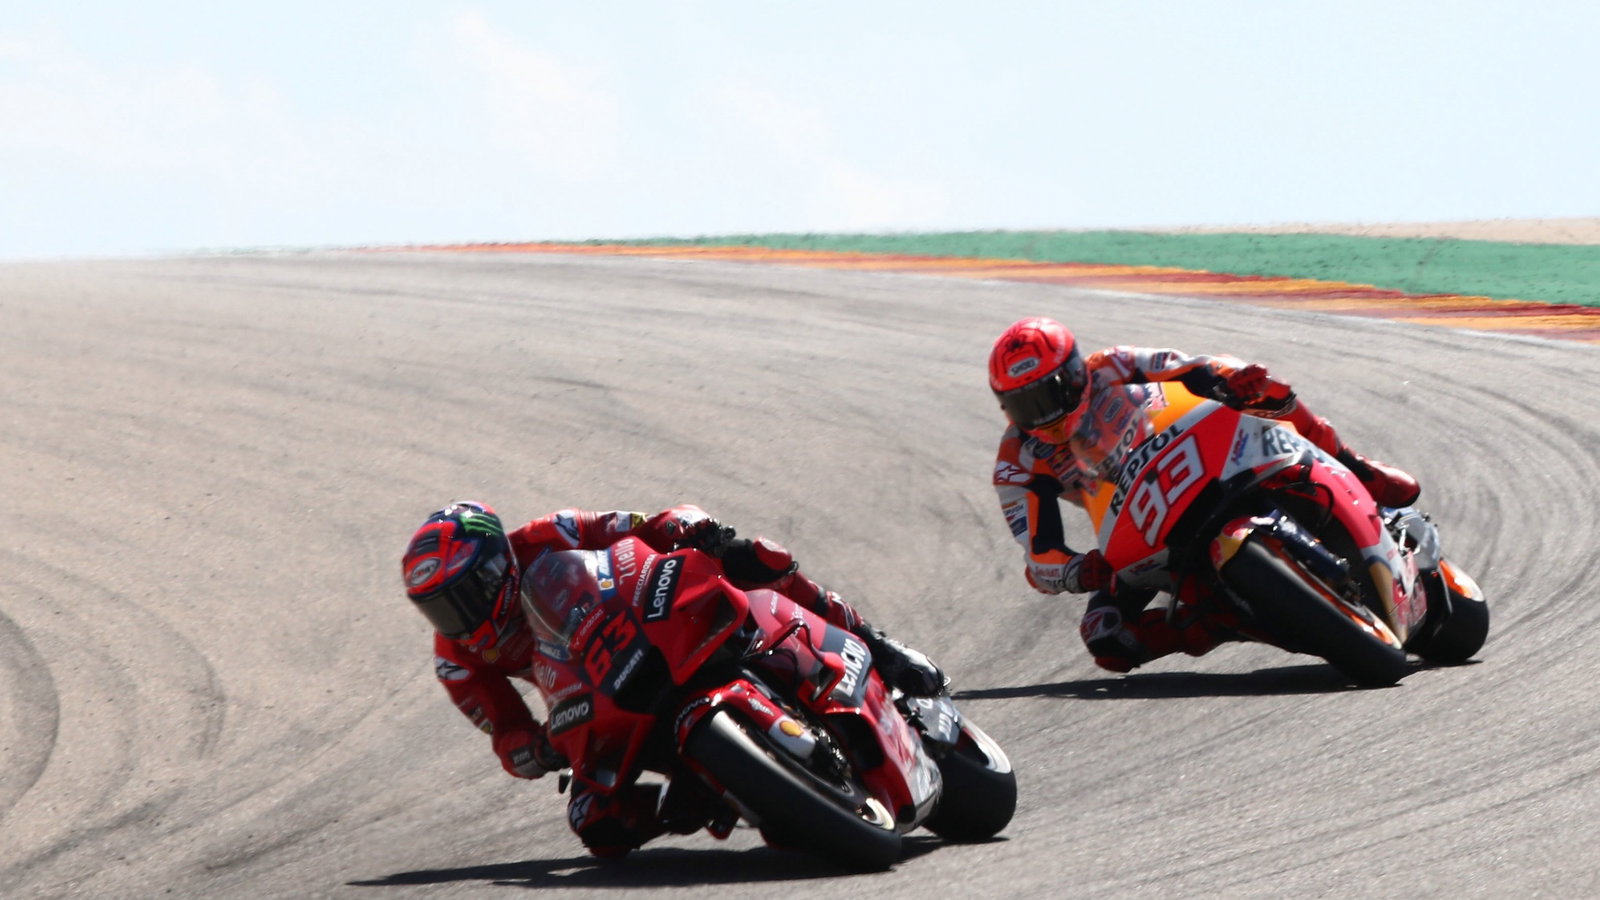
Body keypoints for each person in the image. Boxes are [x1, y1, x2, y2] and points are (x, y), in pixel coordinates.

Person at [401, 501, 944, 857]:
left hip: (642, 626)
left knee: (757, 557)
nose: (462, 621)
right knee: (596, 823)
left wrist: (692, 529)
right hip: (596, 696)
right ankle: (700, 796)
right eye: (442, 611)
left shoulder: (547, 537)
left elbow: (636, 525)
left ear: (499, 566)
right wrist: (537, 750)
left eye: (466, 597)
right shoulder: (458, 662)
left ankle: (876, 643)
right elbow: (506, 736)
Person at [987, 316, 1421, 674]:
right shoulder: (1017, 460)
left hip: (1201, 455)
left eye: (1049, 394)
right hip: (1141, 525)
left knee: (1268, 389)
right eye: (1026, 404)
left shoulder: (1113, 366)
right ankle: (1225, 618)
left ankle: (1357, 468)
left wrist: (1230, 381)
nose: (1044, 415)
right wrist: (1080, 570)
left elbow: (1192, 367)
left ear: (1075, 373)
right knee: (1107, 637)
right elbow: (1037, 555)